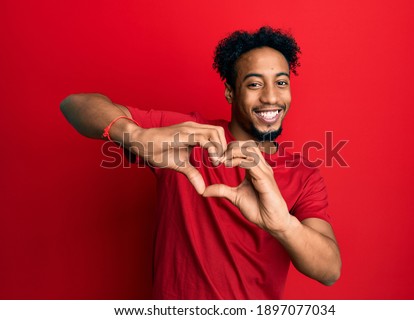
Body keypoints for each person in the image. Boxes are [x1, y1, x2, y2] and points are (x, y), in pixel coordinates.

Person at [60, 26, 341, 299]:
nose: (270, 97)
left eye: (281, 83)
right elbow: (74, 105)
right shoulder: (187, 134)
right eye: (254, 84)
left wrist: (282, 224)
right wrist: (135, 135)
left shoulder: (304, 175)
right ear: (230, 92)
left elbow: (329, 270)